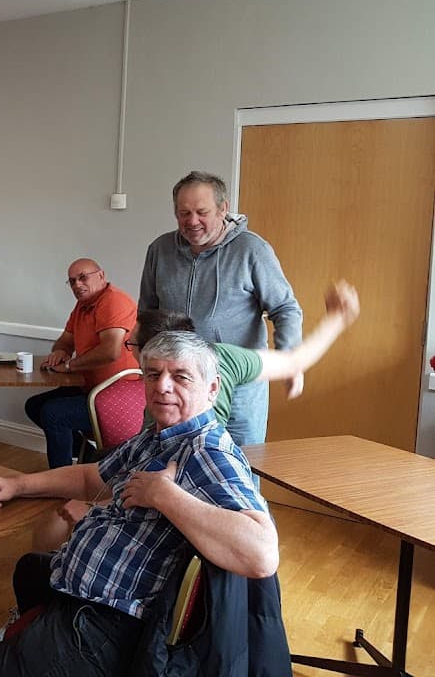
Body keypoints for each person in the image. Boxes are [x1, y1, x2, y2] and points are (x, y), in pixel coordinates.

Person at [0, 331, 278, 677]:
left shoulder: (206, 453)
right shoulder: (157, 436)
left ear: (212, 389)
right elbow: (89, 478)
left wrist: (164, 495)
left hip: (103, 627)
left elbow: (262, 555)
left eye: (180, 376)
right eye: (153, 374)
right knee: (29, 570)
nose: (162, 386)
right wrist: (17, 485)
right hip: (78, 598)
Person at [30, 280, 360, 554]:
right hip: (206, 499)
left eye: (131, 342)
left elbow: (147, 490)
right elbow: (294, 360)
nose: (126, 345)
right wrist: (335, 320)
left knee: (58, 523)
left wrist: (95, 510)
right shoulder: (223, 356)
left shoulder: (168, 412)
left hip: (184, 513)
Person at [139, 170, 302, 447]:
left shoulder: (251, 249)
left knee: (241, 469)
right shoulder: (160, 249)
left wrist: (289, 360)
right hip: (177, 385)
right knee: (164, 463)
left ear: (223, 208)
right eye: (183, 213)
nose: (192, 222)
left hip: (239, 387)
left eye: (202, 212)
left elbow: (285, 308)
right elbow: (147, 313)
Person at [24, 258, 139, 468]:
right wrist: (60, 351)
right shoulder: (82, 306)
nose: (77, 284)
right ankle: (89, 457)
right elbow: (65, 341)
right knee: (34, 406)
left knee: (54, 413)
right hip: (91, 388)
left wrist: (69, 366)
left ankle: (62, 480)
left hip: (118, 393)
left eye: (83, 277)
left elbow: (110, 351)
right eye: (72, 281)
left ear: (101, 276)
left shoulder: (114, 301)